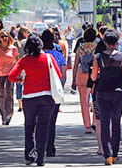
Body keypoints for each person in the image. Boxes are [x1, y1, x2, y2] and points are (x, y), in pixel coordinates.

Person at [9, 34, 62, 166]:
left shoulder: (24, 60)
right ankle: (41, 158)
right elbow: (59, 75)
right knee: (43, 127)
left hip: (29, 97)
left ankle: (29, 155)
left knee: (29, 126)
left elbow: (11, 76)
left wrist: (20, 80)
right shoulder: (48, 58)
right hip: (47, 97)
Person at [91, 30, 122, 165]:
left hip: (102, 92)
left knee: (104, 123)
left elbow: (94, 77)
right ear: (117, 43)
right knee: (116, 123)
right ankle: (115, 154)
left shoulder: (98, 57)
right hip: (118, 92)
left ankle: (107, 155)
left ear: (105, 42)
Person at [41, 30, 67, 158]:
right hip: (54, 91)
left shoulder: (37, 55)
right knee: (52, 121)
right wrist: (60, 88)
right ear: (54, 40)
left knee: (40, 121)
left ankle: (41, 145)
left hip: (40, 91)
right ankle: (50, 147)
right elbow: (63, 75)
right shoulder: (58, 55)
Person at [71, 28, 97, 134]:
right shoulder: (97, 48)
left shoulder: (80, 49)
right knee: (96, 99)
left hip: (81, 75)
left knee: (84, 101)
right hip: (94, 75)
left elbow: (76, 65)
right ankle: (95, 121)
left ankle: (87, 126)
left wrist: (73, 80)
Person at [15, 26, 31, 112]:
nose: (28, 33)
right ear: (22, 32)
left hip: (22, 65)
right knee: (21, 85)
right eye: (27, 32)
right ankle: (21, 104)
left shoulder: (28, 42)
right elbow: (15, 56)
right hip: (21, 65)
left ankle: (22, 104)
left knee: (21, 85)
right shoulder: (17, 43)